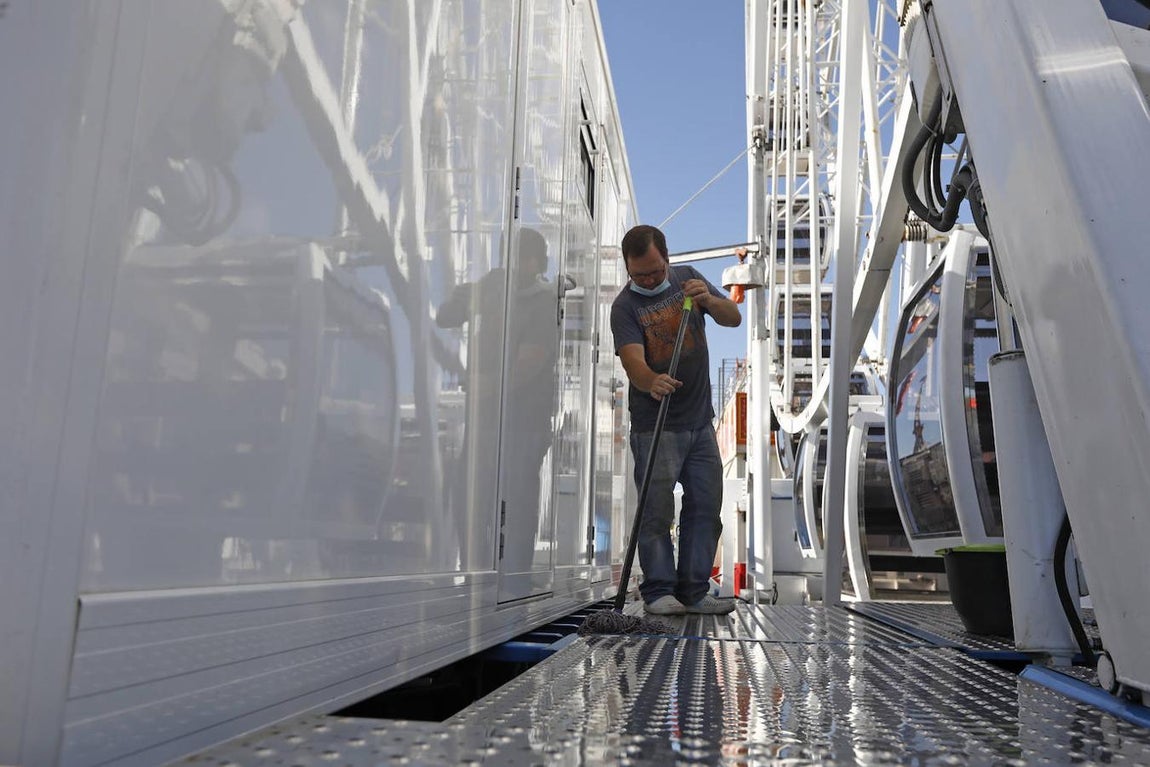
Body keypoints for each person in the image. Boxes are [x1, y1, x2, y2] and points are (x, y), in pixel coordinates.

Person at [610, 224, 743, 615]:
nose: (648, 280)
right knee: (656, 510)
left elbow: (732, 317)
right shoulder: (625, 307)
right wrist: (651, 380)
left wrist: (710, 301)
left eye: (654, 271)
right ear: (628, 270)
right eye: (639, 275)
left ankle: (694, 591)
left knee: (705, 505)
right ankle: (658, 592)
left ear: (667, 259)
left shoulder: (688, 280)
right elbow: (632, 360)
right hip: (657, 426)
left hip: (700, 421)